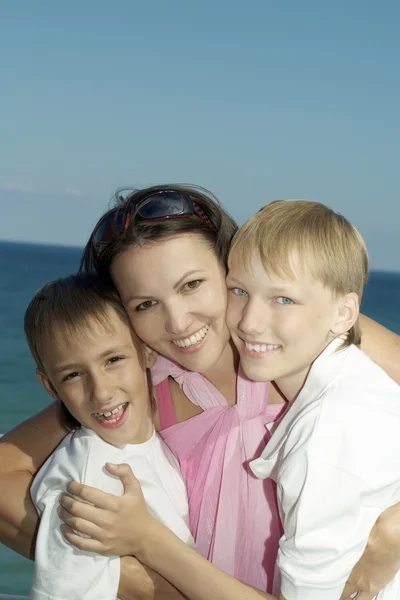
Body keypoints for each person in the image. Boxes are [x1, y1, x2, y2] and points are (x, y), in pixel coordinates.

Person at [0, 186, 400, 599]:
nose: (177, 321)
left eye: (191, 284)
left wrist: (395, 530)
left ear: (232, 266)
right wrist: (137, 579)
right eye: (145, 305)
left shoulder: (305, 343)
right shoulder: (141, 388)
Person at [227, 200, 400, 598]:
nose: (248, 321)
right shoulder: (361, 382)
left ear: (343, 314)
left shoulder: (325, 432)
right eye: (239, 290)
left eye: (283, 299)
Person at [24, 274, 194, 600]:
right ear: (50, 387)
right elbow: (61, 592)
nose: (101, 392)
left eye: (113, 360)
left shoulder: (151, 445)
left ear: (147, 353)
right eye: (73, 375)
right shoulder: (89, 474)